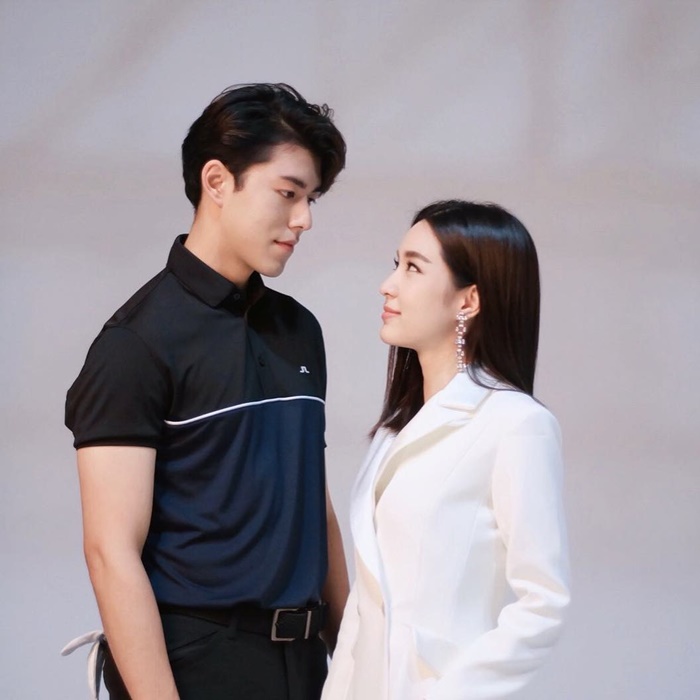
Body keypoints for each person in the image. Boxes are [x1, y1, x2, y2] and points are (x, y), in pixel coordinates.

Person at [65, 83, 349, 700]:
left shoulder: (300, 330)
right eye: (288, 193)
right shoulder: (136, 343)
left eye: (311, 199)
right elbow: (111, 552)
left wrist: (357, 659)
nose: (304, 219)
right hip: (196, 666)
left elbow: (314, 505)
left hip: (306, 666)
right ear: (217, 181)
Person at [322, 200, 570, 700]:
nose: (388, 284)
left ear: (469, 300)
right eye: (396, 264)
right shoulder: (395, 430)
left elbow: (545, 603)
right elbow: (366, 608)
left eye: (413, 268)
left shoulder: (516, 424)